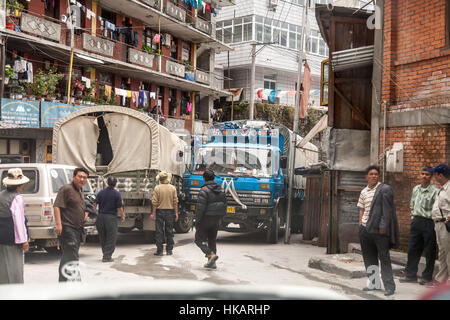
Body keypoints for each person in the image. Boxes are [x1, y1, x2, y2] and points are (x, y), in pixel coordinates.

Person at [357, 165, 399, 296]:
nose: (374, 176)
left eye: (376, 174)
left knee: (384, 258)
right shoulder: (363, 191)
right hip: (365, 229)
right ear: (366, 177)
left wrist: (383, 227)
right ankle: (374, 284)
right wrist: (360, 225)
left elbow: (387, 211)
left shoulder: (384, 189)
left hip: (379, 231)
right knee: (369, 258)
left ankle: (389, 287)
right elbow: (361, 209)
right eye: (371, 174)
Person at [400, 167, 439, 285]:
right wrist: (413, 217)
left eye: (427, 174)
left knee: (429, 251)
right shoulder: (416, 189)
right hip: (416, 221)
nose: (424, 176)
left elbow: (436, 209)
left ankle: (427, 277)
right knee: (412, 249)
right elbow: (412, 204)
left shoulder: (435, 191)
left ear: (431, 177)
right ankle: (410, 275)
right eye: (422, 174)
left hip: (429, 222)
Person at [54, 167, 89, 282]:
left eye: (84, 177)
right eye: (80, 176)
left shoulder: (80, 190)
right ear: (74, 177)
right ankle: (75, 281)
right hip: (67, 227)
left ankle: (65, 281)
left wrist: (84, 213)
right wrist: (58, 224)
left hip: (77, 228)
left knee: (68, 255)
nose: (82, 179)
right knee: (72, 255)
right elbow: (57, 206)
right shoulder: (66, 189)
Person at [0, 168, 29, 284]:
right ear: (20, 185)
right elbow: (19, 221)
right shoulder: (17, 198)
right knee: (13, 267)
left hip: (1, 236)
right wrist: (24, 240)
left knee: (2, 265)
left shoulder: (1, 195)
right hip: (12, 237)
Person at [194, 169, 226, 269]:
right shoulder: (221, 189)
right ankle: (212, 263)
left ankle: (211, 255)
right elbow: (224, 205)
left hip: (205, 219)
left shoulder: (204, 190)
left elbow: (200, 208)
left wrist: (197, 221)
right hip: (216, 219)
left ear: (204, 178)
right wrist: (221, 218)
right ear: (213, 178)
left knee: (199, 240)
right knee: (212, 240)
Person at [94, 176, 125, 262]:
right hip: (111, 218)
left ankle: (105, 254)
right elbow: (119, 207)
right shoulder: (117, 194)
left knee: (103, 236)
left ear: (107, 183)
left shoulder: (101, 192)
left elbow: (95, 203)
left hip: (100, 217)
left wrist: (95, 213)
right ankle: (107, 257)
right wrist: (123, 215)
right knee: (111, 237)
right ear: (115, 184)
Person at [431, 163, 450, 285]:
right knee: (442, 252)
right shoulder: (442, 188)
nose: (434, 177)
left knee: (449, 253)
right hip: (438, 224)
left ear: (440, 175)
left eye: (435, 175)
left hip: (446, 225)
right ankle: (440, 279)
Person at [150, 171, 178, 256]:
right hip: (170, 211)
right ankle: (169, 250)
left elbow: (155, 203)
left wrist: (153, 213)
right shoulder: (173, 188)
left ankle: (160, 250)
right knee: (169, 231)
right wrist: (176, 213)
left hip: (160, 212)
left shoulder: (157, 188)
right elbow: (175, 202)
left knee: (159, 231)